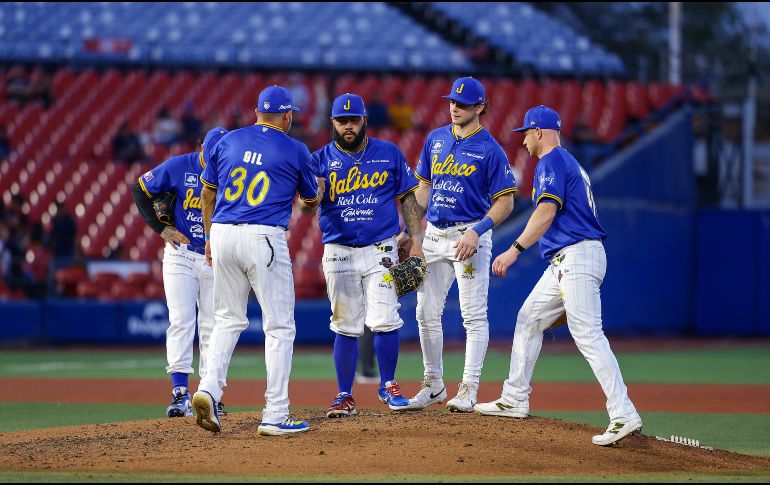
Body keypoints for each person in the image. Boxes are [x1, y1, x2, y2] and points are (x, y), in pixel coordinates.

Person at [474, 105, 643, 447]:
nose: (523, 140)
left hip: (577, 255)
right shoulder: (569, 162)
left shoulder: (551, 161)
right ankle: (514, 397)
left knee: (588, 334)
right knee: (529, 319)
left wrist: (514, 250)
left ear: (539, 131)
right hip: (568, 259)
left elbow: (546, 211)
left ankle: (623, 412)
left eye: (526, 133)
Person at [194, 86, 321, 436]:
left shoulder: (227, 140)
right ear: (288, 116)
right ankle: (275, 413)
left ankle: (208, 389)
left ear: (256, 112)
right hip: (263, 235)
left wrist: (209, 239)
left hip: (222, 232)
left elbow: (206, 193)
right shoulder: (296, 149)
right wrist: (316, 194)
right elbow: (310, 201)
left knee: (226, 319)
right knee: (279, 326)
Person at [403, 77, 517, 412]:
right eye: (453, 101)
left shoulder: (490, 149)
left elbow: (506, 201)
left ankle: (468, 388)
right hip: (434, 235)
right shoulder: (436, 139)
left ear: (480, 107)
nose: (455, 107)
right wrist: (411, 231)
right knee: (425, 312)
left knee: (473, 315)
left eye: (463, 103)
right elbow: (423, 189)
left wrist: (478, 231)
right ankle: (433, 384)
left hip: (469, 235)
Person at [310, 93, 423, 418]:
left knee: (385, 318)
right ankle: (344, 395)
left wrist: (416, 240)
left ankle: (388, 385)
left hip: (381, 250)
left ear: (364, 121)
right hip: (339, 250)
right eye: (342, 121)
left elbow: (408, 198)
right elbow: (304, 207)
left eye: (354, 120)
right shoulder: (318, 160)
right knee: (345, 324)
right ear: (333, 122)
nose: (348, 126)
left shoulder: (388, 153)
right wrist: (313, 196)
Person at [130, 127, 228, 418]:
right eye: (210, 153)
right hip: (181, 255)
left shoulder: (231, 171)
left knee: (212, 326)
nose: (214, 159)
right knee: (181, 320)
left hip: (215, 258)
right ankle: (180, 392)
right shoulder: (179, 166)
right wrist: (161, 228)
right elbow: (140, 189)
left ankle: (210, 393)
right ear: (201, 147)